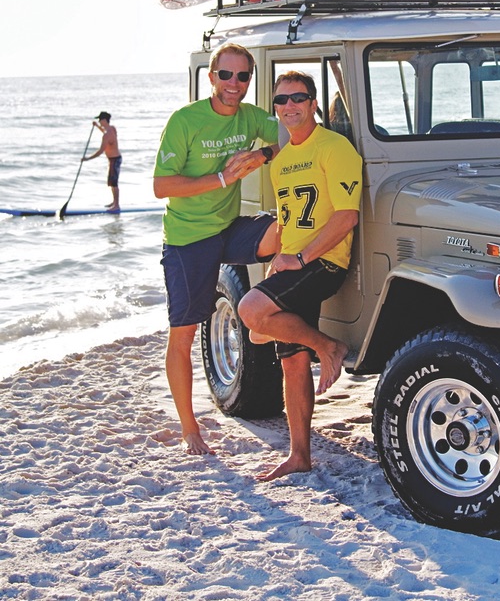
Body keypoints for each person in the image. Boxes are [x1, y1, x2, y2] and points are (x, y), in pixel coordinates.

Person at [153, 43, 280, 456]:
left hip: (228, 228)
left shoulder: (250, 117)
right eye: (226, 75)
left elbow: (293, 132)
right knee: (184, 335)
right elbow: (162, 186)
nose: (234, 85)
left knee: (285, 232)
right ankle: (190, 428)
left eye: (243, 77)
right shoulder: (185, 121)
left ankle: (270, 314)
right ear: (211, 77)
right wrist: (223, 179)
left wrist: (261, 154)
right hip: (188, 239)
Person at [238, 71, 362, 482]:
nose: (289, 106)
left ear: (313, 103)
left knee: (251, 309)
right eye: (281, 101)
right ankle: (299, 455)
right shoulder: (283, 159)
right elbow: (290, 219)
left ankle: (329, 347)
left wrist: (302, 257)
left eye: (298, 98)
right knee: (291, 363)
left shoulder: (335, 147)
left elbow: (346, 217)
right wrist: (275, 253)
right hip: (293, 263)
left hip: (324, 263)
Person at [84, 111, 122, 210]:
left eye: (100, 120)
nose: (99, 121)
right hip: (114, 159)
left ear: (104, 120)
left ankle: (116, 205)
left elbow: (101, 151)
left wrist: (87, 159)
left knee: (114, 183)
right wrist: (97, 126)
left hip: (114, 159)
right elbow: (106, 133)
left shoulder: (107, 134)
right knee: (111, 183)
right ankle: (114, 202)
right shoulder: (112, 129)